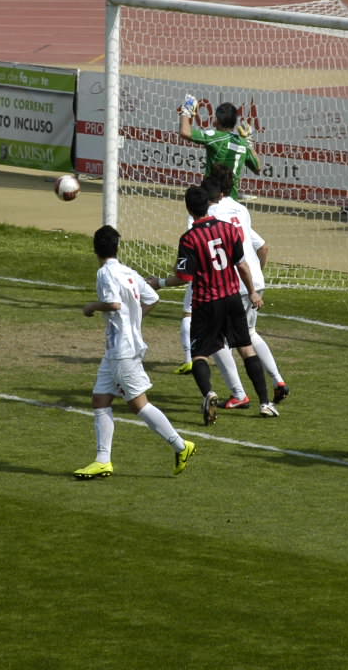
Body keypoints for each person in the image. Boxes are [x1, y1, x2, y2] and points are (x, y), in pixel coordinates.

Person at [74, 225, 197, 479]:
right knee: (100, 399)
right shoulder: (128, 272)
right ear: (117, 247)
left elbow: (114, 304)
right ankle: (102, 460)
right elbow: (152, 298)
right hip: (118, 349)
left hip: (123, 350)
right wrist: (134, 320)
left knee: (138, 404)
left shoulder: (105, 273)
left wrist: (91, 307)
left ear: (95, 249)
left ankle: (181, 445)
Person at [147, 185, 270, 426]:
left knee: (199, 354)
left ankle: (209, 394)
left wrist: (159, 282)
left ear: (189, 209)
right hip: (233, 298)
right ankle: (266, 403)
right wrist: (253, 292)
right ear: (209, 204)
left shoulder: (190, 238)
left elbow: (184, 276)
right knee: (246, 347)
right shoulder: (228, 229)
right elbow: (242, 265)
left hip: (206, 303)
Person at [204, 166, 289, 408]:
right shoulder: (241, 209)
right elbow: (261, 247)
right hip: (254, 279)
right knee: (249, 335)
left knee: (217, 340)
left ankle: (238, 393)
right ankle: (279, 381)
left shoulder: (211, 212)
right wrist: (256, 278)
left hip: (232, 282)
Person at [177, 95, 260, 199]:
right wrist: (249, 141)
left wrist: (186, 109)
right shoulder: (243, 142)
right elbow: (258, 169)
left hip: (212, 200)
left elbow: (185, 132)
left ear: (217, 120)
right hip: (232, 201)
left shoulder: (215, 137)